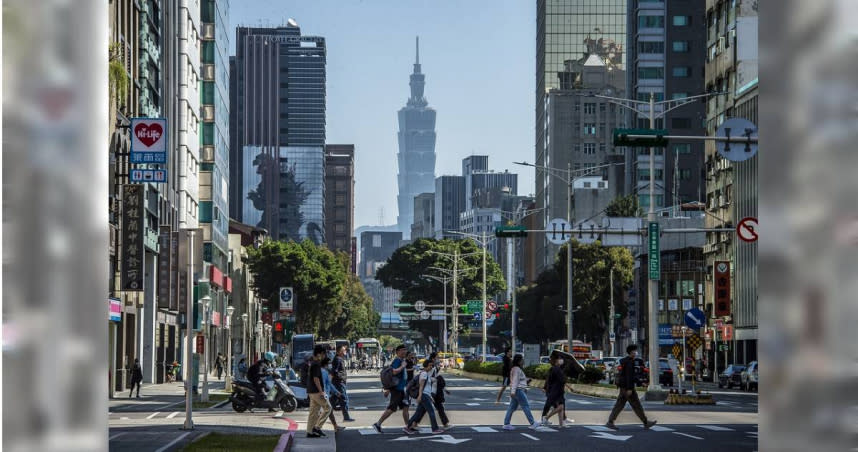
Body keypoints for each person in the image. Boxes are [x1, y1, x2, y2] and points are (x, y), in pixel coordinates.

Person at [606, 345, 657, 431]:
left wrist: (641, 383)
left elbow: (631, 376)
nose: (636, 353)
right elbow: (629, 376)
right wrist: (630, 388)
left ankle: (610, 422)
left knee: (619, 405)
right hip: (627, 388)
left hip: (623, 387)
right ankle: (645, 422)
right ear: (631, 352)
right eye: (634, 351)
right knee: (636, 405)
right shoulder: (629, 362)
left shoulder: (625, 361)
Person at [372, 345, 410, 433]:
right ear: (397, 352)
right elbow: (393, 372)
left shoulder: (402, 360)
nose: (404, 351)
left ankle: (408, 426)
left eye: (405, 350)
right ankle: (377, 424)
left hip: (401, 389)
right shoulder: (397, 361)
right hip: (397, 389)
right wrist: (403, 366)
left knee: (405, 407)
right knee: (392, 408)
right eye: (402, 350)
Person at [404, 360, 444, 434]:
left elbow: (427, 387)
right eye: (430, 365)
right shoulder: (424, 374)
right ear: (426, 366)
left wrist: (430, 396)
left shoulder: (426, 374)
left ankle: (407, 427)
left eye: (432, 365)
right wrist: (420, 396)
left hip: (425, 395)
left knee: (417, 413)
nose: (431, 367)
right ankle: (435, 429)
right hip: (424, 395)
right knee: (431, 412)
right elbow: (421, 386)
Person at [502, 354, 540, 430]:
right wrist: (513, 391)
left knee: (512, 407)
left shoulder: (515, 369)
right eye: (522, 359)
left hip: (517, 390)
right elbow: (515, 381)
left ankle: (506, 423)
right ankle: (532, 423)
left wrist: (526, 381)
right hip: (518, 390)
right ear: (519, 361)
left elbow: (518, 380)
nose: (523, 361)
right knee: (525, 406)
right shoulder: (517, 369)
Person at [306, 345, 333, 438]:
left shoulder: (312, 363)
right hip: (317, 391)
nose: (324, 356)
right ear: (319, 354)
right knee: (328, 408)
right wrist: (321, 391)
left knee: (313, 412)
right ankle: (317, 427)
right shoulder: (316, 364)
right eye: (323, 354)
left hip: (310, 390)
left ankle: (310, 431)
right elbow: (316, 379)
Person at [541, 355, 573, 427]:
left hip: (555, 390)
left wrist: (545, 388)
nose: (561, 360)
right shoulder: (557, 369)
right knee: (560, 407)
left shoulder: (554, 368)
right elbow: (562, 380)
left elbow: (549, 380)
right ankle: (546, 418)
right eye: (560, 359)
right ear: (556, 361)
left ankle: (561, 424)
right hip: (556, 391)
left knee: (560, 406)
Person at [320, 356, 346, 432]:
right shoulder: (324, 372)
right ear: (325, 364)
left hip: (323, 394)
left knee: (328, 411)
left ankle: (335, 426)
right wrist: (336, 392)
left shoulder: (322, 371)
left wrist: (336, 392)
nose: (330, 366)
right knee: (326, 410)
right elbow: (328, 384)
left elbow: (328, 384)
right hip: (323, 394)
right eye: (329, 364)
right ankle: (317, 427)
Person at [331, 346, 355, 422]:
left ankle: (324, 412)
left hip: (339, 382)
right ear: (339, 351)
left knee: (334, 399)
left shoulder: (339, 359)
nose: (345, 352)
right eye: (343, 350)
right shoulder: (338, 359)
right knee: (344, 399)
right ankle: (346, 417)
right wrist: (340, 378)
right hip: (339, 383)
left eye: (345, 350)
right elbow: (334, 371)